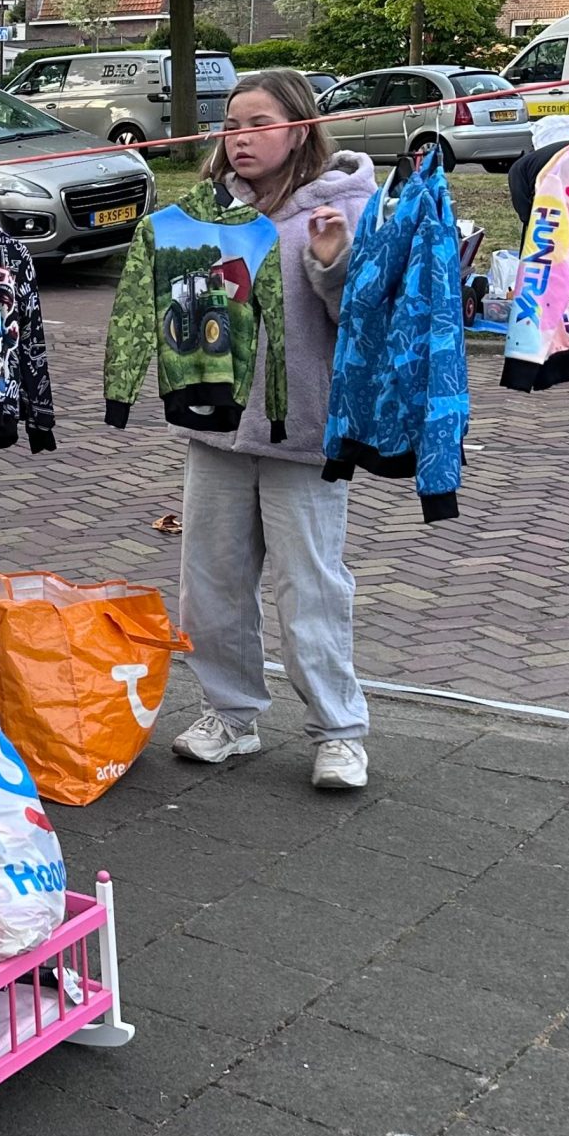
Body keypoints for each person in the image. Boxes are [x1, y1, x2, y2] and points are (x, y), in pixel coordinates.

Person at [166, 69, 379, 790]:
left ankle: (339, 731)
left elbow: (369, 328)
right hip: (217, 432)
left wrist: (332, 266)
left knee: (310, 588)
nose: (240, 137)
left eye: (258, 122)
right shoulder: (210, 209)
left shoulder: (347, 205)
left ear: (299, 128)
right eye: (231, 124)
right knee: (211, 585)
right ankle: (231, 714)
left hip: (301, 435)